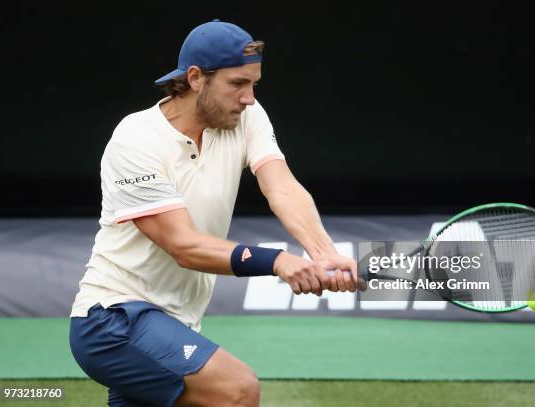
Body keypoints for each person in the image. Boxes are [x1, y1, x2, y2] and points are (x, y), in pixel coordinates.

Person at [69, 19, 357, 407]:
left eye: (254, 84)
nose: (249, 97)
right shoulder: (135, 139)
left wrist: (323, 251)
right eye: (237, 84)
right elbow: (184, 246)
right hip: (114, 319)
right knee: (237, 389)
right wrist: (278, 262)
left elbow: (281, 186)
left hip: (176, 323)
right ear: (195, 78)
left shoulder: (247, 117)